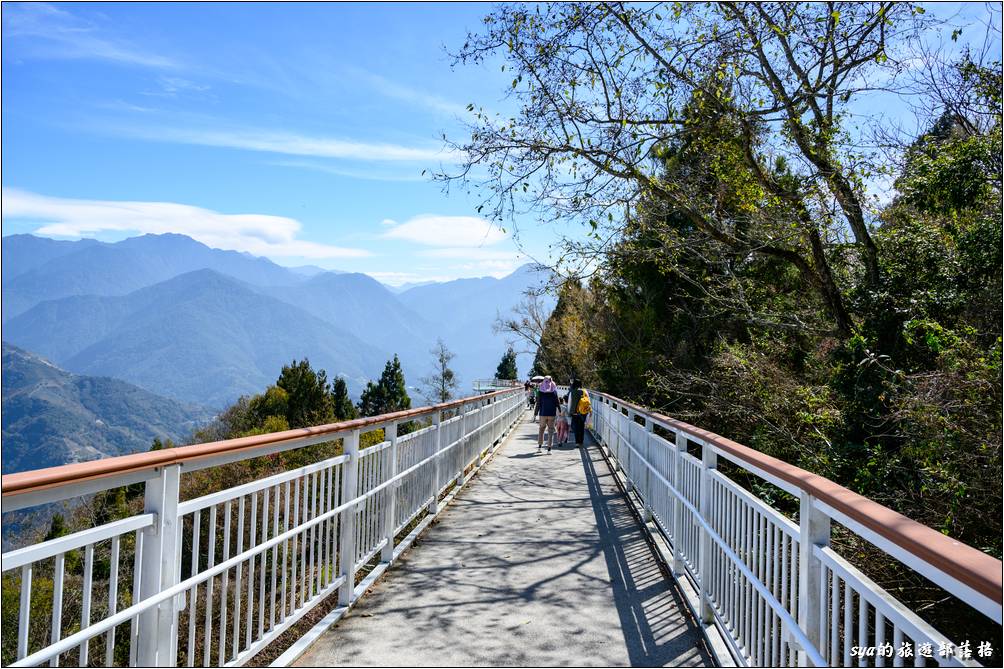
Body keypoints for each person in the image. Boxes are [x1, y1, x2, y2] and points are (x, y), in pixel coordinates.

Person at [536, 376, 559, 453]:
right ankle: (549, 449)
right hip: (551, 414)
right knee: (551, 431)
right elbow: (557, 402)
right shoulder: (554, 391)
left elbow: (538, 403)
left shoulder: (540, 392)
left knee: (541, 429)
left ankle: (539, 447)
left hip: (543, 413)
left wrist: (535, 413)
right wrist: (559, 409)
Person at [565, 378, 590, 447]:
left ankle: (577, 442)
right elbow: (588, 401)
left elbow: (569, 403)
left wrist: (569, 411)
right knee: (581, 427)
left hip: (575, 412)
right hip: (583, 412)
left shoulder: (572, 392)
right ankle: (581, 442)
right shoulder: (584, 391)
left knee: (576, 427)